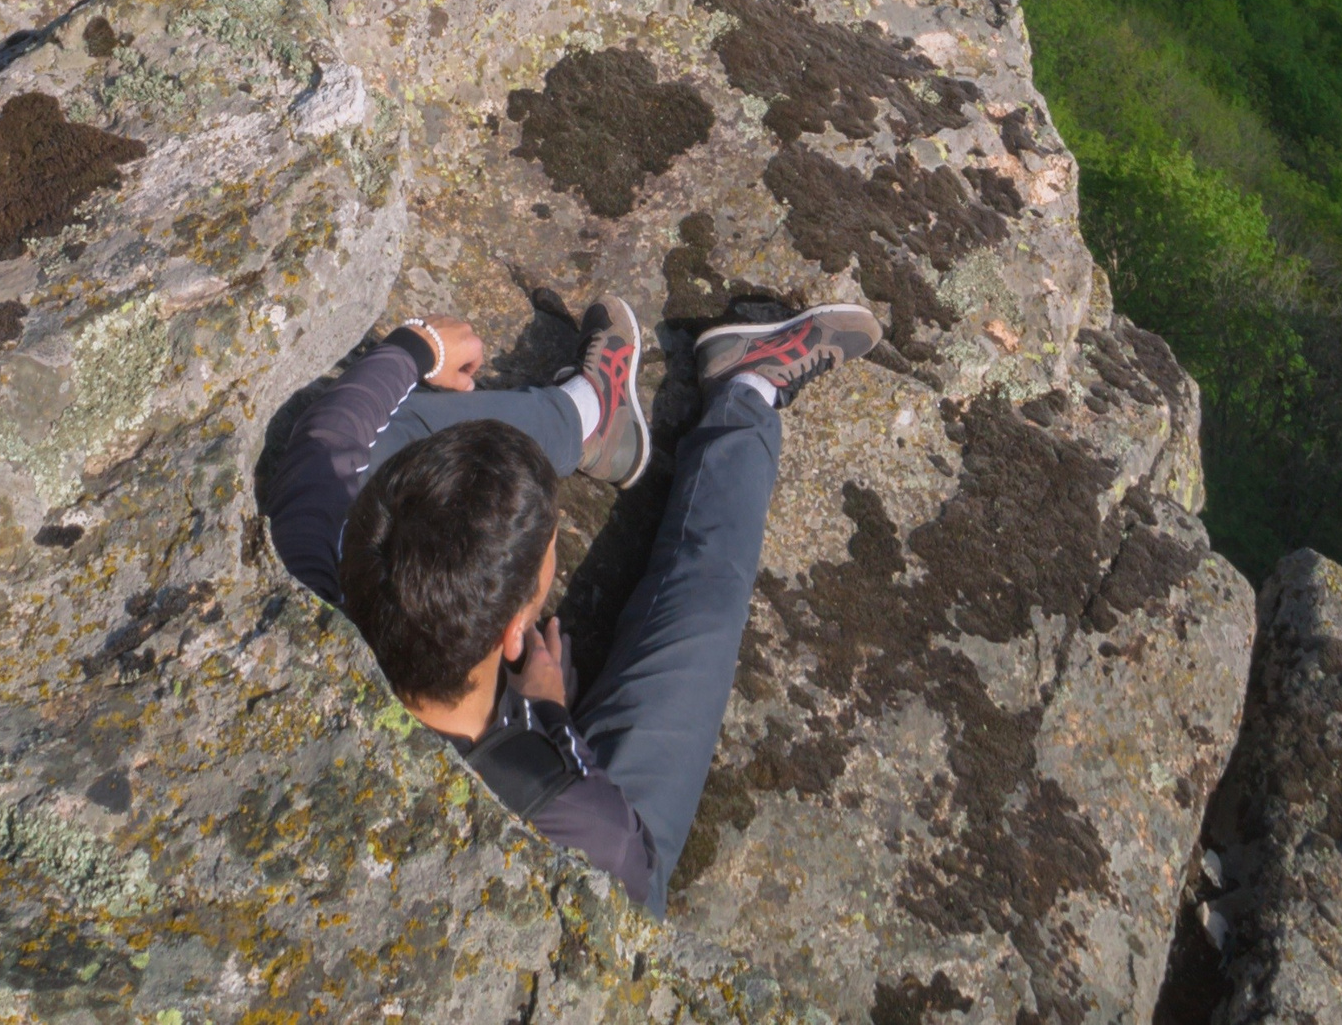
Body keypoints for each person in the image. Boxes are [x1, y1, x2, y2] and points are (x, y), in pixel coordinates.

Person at [262, 291, 882, 912]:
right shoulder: (577, 823)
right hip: (540, 792)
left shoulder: (303, 569)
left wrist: (416, 346)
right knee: (708, 612)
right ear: (515, 631)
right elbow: (629, 875)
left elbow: (328, 436)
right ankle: (749, 391)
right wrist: (550, 719)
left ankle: (592, 414)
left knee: (383, 448)